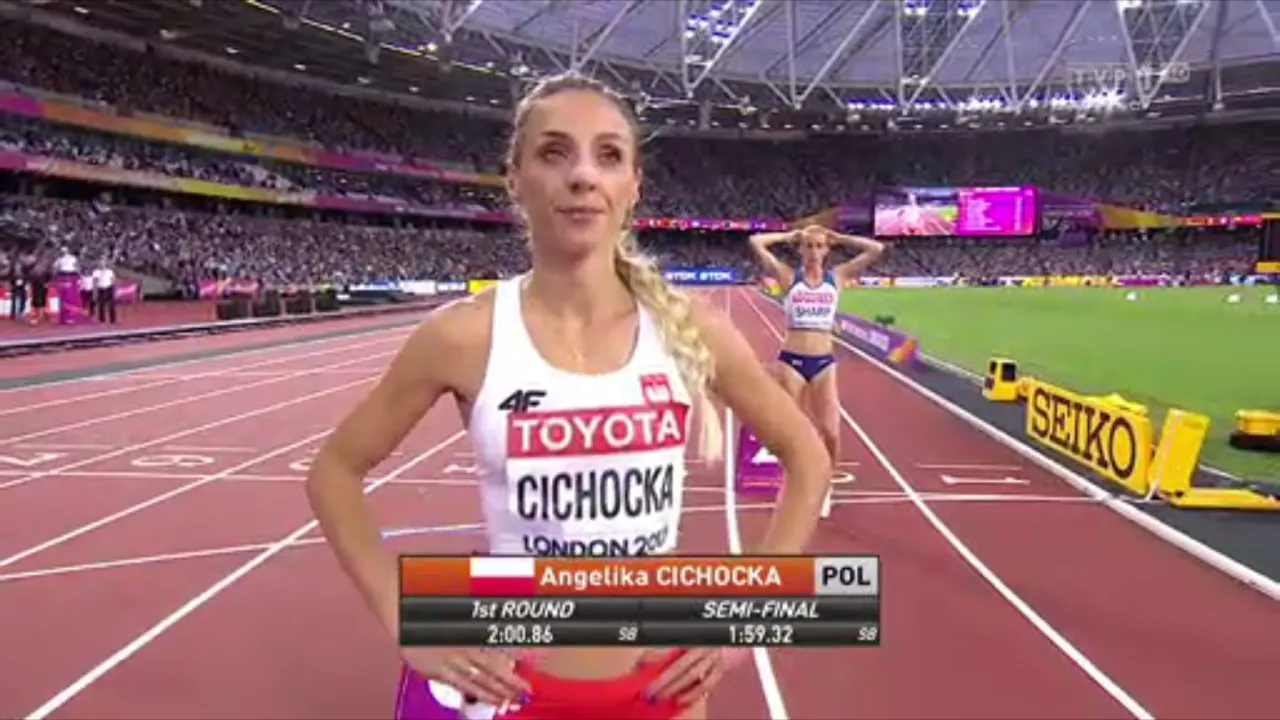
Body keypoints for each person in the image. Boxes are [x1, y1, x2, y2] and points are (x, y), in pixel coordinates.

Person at [305, 71, 832, 720]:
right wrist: (405, 619)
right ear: (515, 179)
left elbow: (807, 456)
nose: (583, 175)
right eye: (555, 153)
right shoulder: (463, 336)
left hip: (661, 692)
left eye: (608, 155)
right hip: (512, 691)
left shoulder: (689, 327)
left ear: (633, 185)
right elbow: (334, 471)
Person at [748, 224, 884, 497]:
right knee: (792, 427)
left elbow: (876, 248)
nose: (813, 251)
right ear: (800, 249)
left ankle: (825, 482)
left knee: (831, 432)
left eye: (819, 246)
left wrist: (840, 238)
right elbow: (756, 241)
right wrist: (788, 236)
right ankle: (793, 480)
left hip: (823, 363)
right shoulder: (789, 277)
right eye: (808, 246)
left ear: (826, 250)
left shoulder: (837, 278)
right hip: (792, 361)